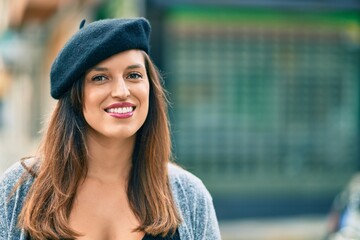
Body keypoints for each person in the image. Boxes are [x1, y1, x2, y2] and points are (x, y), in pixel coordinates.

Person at [0, 18, 221, 240]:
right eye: (100, 78)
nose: (121, 91)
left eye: (133, 75)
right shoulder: (18, 189)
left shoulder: (189, 195)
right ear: (76, 95)